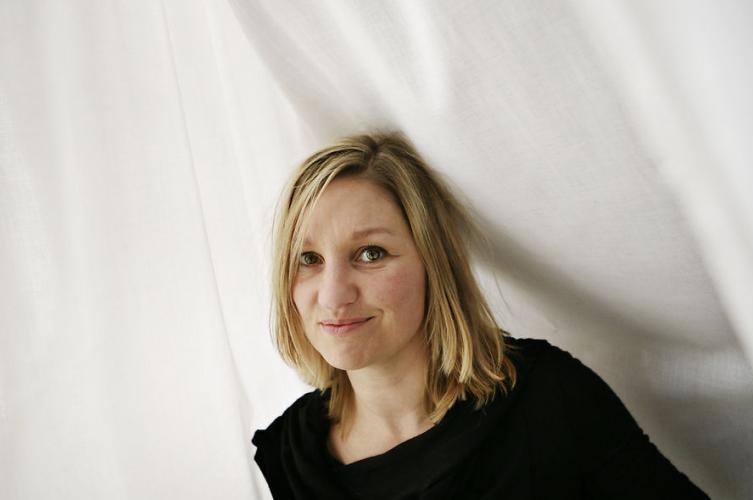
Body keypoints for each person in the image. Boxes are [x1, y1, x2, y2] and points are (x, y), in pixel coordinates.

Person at [252, 132, 710, 499]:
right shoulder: (294, 456)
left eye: (371, 253)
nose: (334, 295)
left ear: (434, 263)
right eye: (308, 259)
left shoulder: (546, 396)